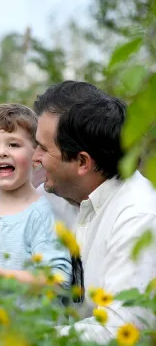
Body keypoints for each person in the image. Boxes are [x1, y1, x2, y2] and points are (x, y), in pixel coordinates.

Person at [32, 80, 156, 342]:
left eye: (43, 148)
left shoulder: (139, 218)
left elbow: (120, 333)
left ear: (82, 162)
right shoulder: (51, 198)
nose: (34, 157)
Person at [0, 104, 72, 291]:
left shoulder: (43, 214)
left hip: (31, 320)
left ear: (35, 156)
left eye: (14, 144)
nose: (2, 152)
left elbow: (59, 282)